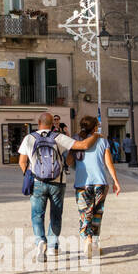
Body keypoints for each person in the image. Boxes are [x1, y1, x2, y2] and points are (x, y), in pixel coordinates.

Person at [18, 111, 102, 263]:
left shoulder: (29, 138)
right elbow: (82, 145)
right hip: (58, 182)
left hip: (37, 182)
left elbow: (22, 161)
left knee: (37, 215)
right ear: (52, 125)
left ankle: (40, 242)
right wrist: (96, 135)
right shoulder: (58, 137)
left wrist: (30, 174)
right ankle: (52, 247)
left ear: (39, 123)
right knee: (56, 215)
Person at [67, 114, 121, 259]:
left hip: (82, 183)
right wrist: (115, 181)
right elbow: (109, 163)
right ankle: (95, 244)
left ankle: (88, 241)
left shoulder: (76, 140)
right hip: (100, 183)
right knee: (97, 214)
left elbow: (69, 161)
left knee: (85, 214)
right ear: (95, 126)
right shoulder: (103, 141)